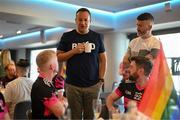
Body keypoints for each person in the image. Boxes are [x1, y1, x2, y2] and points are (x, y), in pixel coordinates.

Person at [57, 8, 107, 119]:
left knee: (91, 117)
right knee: (75, 117)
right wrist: (74, 51)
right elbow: (59, 57)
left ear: (90, 21)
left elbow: (103, 59)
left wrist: (101, 79)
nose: (83, 23)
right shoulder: (67, 36)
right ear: (76, 20)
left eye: (86, 20)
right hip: (72, 85)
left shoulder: (97, 37)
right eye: (80, 20)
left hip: (93, 85)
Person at [31, 50, 68, 119]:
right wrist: (65, 102)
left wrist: (61, 102)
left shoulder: (48, 83)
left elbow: (60, 100)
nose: (58, 63)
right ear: (52, 66)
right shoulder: (42, 86)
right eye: (57, 61)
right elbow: (61, 111)